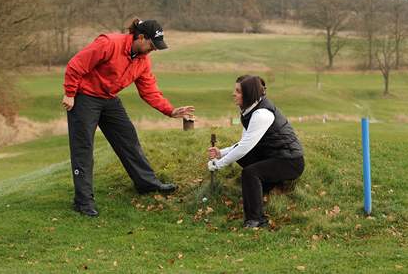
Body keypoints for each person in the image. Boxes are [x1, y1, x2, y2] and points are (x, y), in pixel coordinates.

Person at [62, 19, 194, 217]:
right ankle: (83, 202)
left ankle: (147, 184)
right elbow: (76, 65)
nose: (153, 50)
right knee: (83, 148)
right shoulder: (109, 43)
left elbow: (149, 90)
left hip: (108, 98)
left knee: (128, 138)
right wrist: (70, 93)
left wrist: (170, 110)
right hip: (84, 97)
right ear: (140, 37)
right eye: (151, 45)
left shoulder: (142, 61)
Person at [207, 75, 304, 228]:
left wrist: (219, 164)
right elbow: (244, 143)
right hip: (273, 155)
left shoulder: (261, 114)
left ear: (249, 94)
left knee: (250, 172)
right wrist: (222, 153)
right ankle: (263, 188)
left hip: (290, 161)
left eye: (238, 91)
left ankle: (256, 220)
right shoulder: (250, 109)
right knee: (242, 158)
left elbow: (244, 147)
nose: (234, 94)